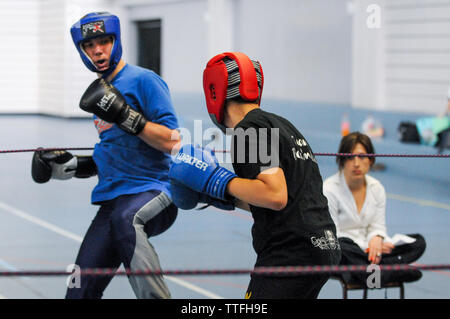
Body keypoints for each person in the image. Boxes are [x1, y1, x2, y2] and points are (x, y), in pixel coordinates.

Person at [31, 12, 181, 299]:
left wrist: (127, 116)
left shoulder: (144, 80)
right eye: (89, 45)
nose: (97, 50)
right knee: (77, 288)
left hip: (153, 190)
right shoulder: (99, 91)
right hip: (113, 201)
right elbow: (113, 151)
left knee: (127, 220)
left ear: (116, 41)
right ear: (82, 51)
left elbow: (173, 141)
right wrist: (70, 164)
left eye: (104, 41)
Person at [169, 52, 341, 299]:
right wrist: (221, 196)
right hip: (322, 246)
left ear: (214, 92)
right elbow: (284, 200)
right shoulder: (282, 125)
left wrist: (218, 180)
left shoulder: (249, 130)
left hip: (289, 254)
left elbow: (274, 195)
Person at [323, 132, 426, 286]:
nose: (356, 163)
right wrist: (368, 247)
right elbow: (332, 235)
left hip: (369, 252)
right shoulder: (329, 189)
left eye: (362, 156)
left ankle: (366, 272)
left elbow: (378, 226)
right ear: (342, 160)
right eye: (350, 157)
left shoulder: (377, 188)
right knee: (340, 247)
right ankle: (383, 273)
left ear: (371, 160)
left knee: (418, 243)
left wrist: (376, 238)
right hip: (346, 251)